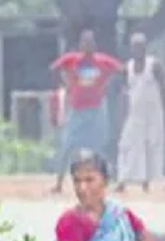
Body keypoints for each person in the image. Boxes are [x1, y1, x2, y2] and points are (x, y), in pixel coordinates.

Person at [50, 30, 124, 193]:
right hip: (77, 110)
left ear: (94, 45)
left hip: (96, 109)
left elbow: (121, 70)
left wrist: (108, 84)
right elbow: (54, 68)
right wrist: (66, 83)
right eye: (85, 43)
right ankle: (58, 184)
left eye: (91, 43)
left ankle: (115, 181)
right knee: (67, 146)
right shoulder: (72, 60)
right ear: (80, 45)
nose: (88, 47)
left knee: (100, 147)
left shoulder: (102, 61)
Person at [116, 32, 165, 193]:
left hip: (153, 113)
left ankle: (146, 182)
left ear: (146, 48)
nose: (138, 49)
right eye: (135, 46)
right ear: (131, 49)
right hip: (135, 113)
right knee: (127, 145)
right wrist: (122, 112)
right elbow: (125, 91)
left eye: (141, 46)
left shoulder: (154, 65)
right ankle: (122, 181)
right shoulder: (128, 67)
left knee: (150, 145)